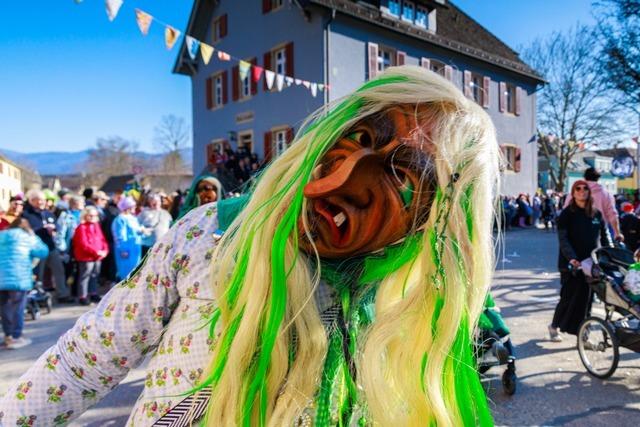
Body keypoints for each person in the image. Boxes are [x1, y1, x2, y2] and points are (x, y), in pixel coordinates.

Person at [0, 67, 499, 426]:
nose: (334, 182)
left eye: (403, 175)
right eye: (361, 135)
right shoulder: (211, 235)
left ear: (434, 222)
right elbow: (83, 358)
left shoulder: (405, 306)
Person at [549, 179, 612, 341]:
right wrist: (572, 258)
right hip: (572, 265)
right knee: (568, 297)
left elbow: (605, 236)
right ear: (573, 192)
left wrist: (611, 253)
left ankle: (584, 334)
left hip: (592, 264)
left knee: (587, 300)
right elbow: (563, 239)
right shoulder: (566, 214)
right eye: (578, 188)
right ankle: (554, 326)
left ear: (589, 192)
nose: (582, 191)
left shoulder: (596, 213)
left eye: (585, 188)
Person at [0, 218, 49, 349]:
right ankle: (16, 336)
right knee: (18, 307)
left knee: (5, 307)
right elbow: (43, 252)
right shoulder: (27, 237)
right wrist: (34, 236)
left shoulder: (2, 235)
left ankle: (8, 336)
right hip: (18, 277)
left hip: (1, 277)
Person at [22, 189, 73, 303]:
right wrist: (41, 229)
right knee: (38, 274)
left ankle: (62, 294)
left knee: (59, 270)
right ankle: (37, 297)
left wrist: (53, 230)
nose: (41, 202)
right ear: (32, 201)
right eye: (38, 200)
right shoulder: (26, 214)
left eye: (43, 200)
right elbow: (26, 231)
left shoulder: (48, 213)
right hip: (36, 249)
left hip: (51, 246)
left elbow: (56, 227)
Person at [564, 167, 622, 241]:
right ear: (598, 178)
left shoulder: (574, 193)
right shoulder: (606, 195)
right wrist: (617, 233)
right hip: (599, 233)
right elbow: (613, 215)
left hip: (577, 232)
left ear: (584, 178)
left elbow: (566, 211)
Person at [72, 206, 109, 305]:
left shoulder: (96, 226)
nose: (93, 217)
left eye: (95, 215)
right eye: (90, 215)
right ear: (85, 215)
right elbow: (83, 244)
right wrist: (95, 252)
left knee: (95, 275)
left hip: (97, 256)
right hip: (86, 257)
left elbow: (102, 239)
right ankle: (82, 296)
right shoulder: (81, 227)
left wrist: (105, 250)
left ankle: (93, 293)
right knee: (85, 276)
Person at [111, 195, 144, 281]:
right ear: (128, 207)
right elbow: (119, 236)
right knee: (125, 272)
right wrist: (123, 249)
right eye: (133, 206)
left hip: (135, 248)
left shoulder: (133, 218)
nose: (135, 207)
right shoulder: (120, 219)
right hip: (126, 249)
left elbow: (135, 231)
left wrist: (142, 231)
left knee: (135, 270)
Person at [138, 193, 173, 258]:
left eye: (158, 201)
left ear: (160, 202)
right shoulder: (144, 213)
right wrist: (142, 229)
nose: (156, 203)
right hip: (147, 245)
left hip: (161, 246)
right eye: (153, 201)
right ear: (150, 202)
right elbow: (136, 225)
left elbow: (171, 227)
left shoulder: (166, 214)